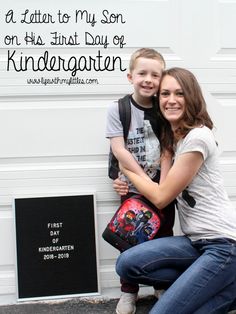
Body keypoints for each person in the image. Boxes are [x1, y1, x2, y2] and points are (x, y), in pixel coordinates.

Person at [116, 67, 236, 314]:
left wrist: (127, 169)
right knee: (126, 264)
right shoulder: (176, 139)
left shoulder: (198, 138)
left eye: (179, 93)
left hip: (224, 245)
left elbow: (161, 197)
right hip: (195, 242)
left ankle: (227, 289)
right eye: (164, 94)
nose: (171, 100)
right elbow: (161, 187)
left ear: (191, 97)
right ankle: (213, 282)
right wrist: (164, 151)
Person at [106, 48, 175, 314]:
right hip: (134, 190)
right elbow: (119, 150)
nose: (148, 79)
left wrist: (164, 188)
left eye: (154, 75)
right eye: (142, 73)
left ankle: (160, 284)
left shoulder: (163, 108)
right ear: (129, 76)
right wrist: (138, 179)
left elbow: (168, 149)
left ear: (162, 79)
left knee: (163, 235)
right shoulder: (118, 109)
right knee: (130, 240)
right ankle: (128, 292)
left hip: (163, 185)